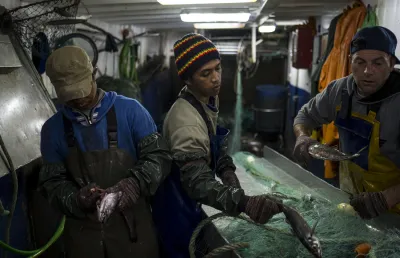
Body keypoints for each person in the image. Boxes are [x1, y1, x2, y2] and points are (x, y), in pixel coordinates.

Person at [151, 33, 283, 258]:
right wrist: (243, 202)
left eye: (218, 68)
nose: (216, 78)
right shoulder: (185, 121)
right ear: (188, 79)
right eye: (206, 73)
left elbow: (213, 144)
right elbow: (198, 183)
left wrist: (227, 171)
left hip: (190, 206)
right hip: (177, 213)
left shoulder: (206, 98)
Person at [38, 46, 171, 258]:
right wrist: (75, 199)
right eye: (70, 95)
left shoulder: (132, 111)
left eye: (82, 89)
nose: (79, 100)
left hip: (133, 233)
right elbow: (52, 183)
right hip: (83, 241)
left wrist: (133, 184)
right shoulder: (52, 130)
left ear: (94, 74)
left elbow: (160, 158)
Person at [293, 26, 400, 220]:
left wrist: (386, 199)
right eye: (360, 62)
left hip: (394, 214)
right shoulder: (340, 90)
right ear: (351, 62)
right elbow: (304, 117)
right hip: (352, 204)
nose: (368, 71)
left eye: (378, 63)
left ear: (391, 64)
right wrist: (302, 137)